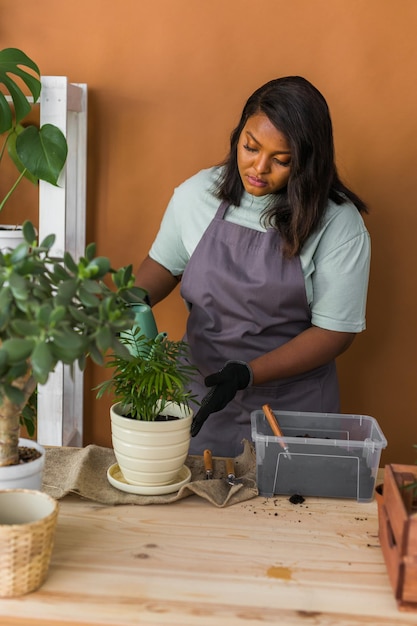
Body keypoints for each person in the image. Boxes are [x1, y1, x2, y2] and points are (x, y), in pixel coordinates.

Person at [135, 76, 371, 458]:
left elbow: (335, 332)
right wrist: (127, 302)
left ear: (309, 161)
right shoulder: (197, 195)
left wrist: (247, 373)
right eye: (250, 147)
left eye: (281, 160)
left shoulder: (338, 224)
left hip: (293, 409)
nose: (259, 167)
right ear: (238, 135)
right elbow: (164, 265)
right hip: (202, 398)